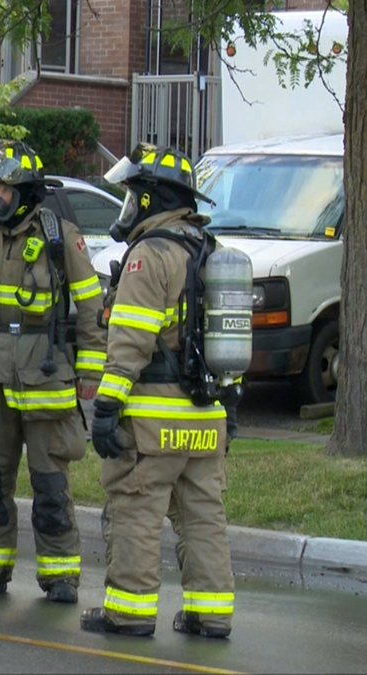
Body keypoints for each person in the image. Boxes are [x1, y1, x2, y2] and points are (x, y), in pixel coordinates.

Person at [0, 139, 107, 604]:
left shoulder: (60, 236)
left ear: (24, 193)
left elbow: (91, 305)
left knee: (49, 480)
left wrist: (91, 372)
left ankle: (60, 576)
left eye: (1, 190)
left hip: (46, 372)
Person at [82, 145, 235, 639]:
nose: (126, 207)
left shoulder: (149, 256)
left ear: (150, 199)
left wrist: (106, 407)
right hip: (205, 418)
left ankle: (127, 613)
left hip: (153, 422)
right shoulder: (208, 251)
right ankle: (210, 614)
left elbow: (130, 341)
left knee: (137, 512)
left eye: (131, 196)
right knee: (203, 518)